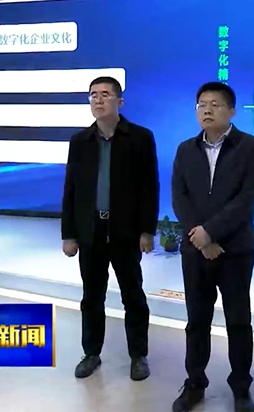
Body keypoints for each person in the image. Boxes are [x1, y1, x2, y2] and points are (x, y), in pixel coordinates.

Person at [170, 82, 254, 412]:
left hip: (234, 250)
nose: (207, 110)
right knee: (197, 321)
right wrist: (200, 237)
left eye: (215, 104)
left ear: (232, 111)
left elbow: (247, 198)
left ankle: (241, 387)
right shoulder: (186, 149)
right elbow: (180, 197)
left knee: (238, 321)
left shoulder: (250, 147)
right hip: (195, 251)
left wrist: (212, 233)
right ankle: (195, 383)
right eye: (201, 104)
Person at [60, 76, 159, 381]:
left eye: (105, 94)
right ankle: (91, 353)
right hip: (90, 231)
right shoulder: (80, 141)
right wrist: (69, 234)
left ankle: (138, 355)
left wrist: (147, 230)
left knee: (133, 296)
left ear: (120, 101)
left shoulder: (140, 138)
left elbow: (149, 187)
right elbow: (71, 189)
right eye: (93, 95)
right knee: (92, 297)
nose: (98, 100)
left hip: (125, 231)